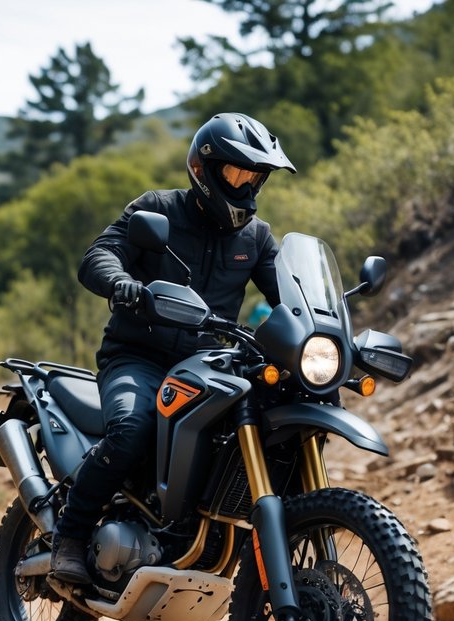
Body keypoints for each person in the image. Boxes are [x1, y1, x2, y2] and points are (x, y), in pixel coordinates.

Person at [50, 112, 296, 584]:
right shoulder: (157, 210)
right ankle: (72, 534)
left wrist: (321, 330)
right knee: (131, 427)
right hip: (137, 357)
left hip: (207, 365)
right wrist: (122, 283)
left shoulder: (257, 238)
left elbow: (289, 293)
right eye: (236, 173)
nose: (246, 185)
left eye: (254, 176)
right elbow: (98, 256)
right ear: (203, 169)